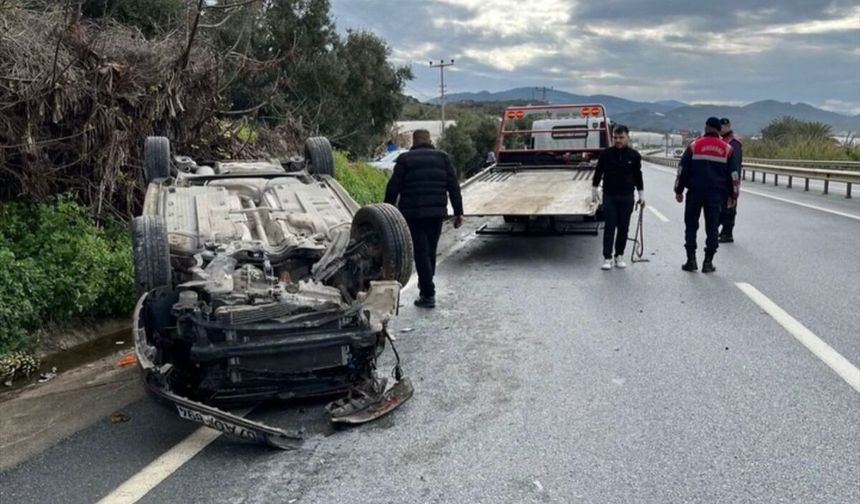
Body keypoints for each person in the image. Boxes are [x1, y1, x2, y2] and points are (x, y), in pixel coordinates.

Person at [384, 129, 463, 308]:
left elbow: (393, 187)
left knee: (420, 253)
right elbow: (454, 187)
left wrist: (387, 209)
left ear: (414, 141)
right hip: (436, 214)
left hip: (413, 215)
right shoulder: (443, 158)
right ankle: (426, 284)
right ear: (429, 140)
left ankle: (428, 293)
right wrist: (459, 212)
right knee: (430, 251)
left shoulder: (405, 160)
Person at [674, 117, 740, 273]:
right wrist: (733, 196)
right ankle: (708, 262)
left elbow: (682, 170)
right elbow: (734, 176)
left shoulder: (694, 146)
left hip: (695, 193)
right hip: (716, 195)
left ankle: (691, 260)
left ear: (705, 127)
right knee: (712, 228)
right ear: (719, 130)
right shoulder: (727, 149)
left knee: (691, 226)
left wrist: (678, 190)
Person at [592, 125, 644, 270]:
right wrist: (594, 188)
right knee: (609, 226)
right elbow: (598, 172)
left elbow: (638, 176)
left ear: (627, 137)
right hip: (609, 196)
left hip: (627, 196)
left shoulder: (634, 156)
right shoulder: (606, 154)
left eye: (621, 137)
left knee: (623, 227)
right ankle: (607, 257)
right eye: (615, 137)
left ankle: (619, 255)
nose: (618, 140)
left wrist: (641, 194)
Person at [718, 118, 743, 243]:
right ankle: (721, 231)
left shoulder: (733, 143)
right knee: (719, 207)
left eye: (722, 127)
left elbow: (735, 165)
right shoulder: (721, 140)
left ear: (728, 126)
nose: (720, 129)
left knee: (729, 206)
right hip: (720, 179)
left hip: (730, 179)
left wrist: (734, 182)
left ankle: (727, 233)